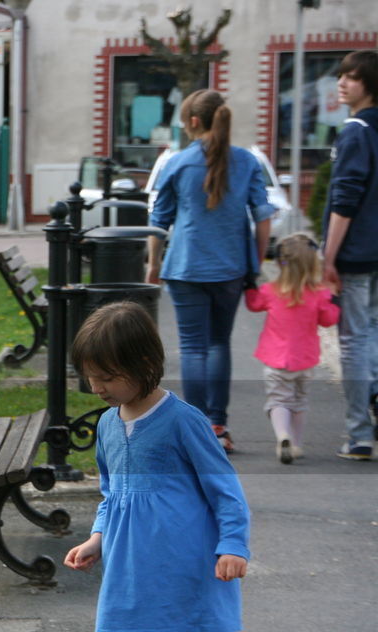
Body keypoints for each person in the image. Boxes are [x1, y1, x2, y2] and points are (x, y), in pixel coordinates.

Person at [52, 302, 249, 632]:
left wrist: (234, 545)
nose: (98, 387)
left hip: (174, 569)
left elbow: (225, 490)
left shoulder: (183, 422)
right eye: (91, 377)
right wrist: (97, 538)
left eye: (109, 377)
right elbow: (111, 493)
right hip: (126, 569)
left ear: (145, 364)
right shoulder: (107, 426)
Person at [147, 89, 275, 454]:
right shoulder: (247, 161)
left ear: (193, 121)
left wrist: (154, 264)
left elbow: (159, 222)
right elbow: (263, 217)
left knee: (192, 348)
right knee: (220, 342)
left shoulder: (177, 163)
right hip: (231, 268)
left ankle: (197, 430)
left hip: (186, 267)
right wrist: (257, 261)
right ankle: (219, 426)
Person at [322, 49, 378, 461]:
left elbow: (345, 200)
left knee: (356, 342)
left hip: (358, 254)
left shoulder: (356, 130)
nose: (342, 83)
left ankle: (360, 433)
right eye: (341, 75)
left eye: (352, 77)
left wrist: (328, 257)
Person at [244, 233, 340, 463]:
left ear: (280, 263)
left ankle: (282, 435)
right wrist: (335, 298)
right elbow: (329, 320)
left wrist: (249, 285)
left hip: (275, 360)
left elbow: (254, 304)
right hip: (305, 360)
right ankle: (296, 443)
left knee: (278, 400)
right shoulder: (319, 294)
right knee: (299, 402)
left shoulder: (270, 291)